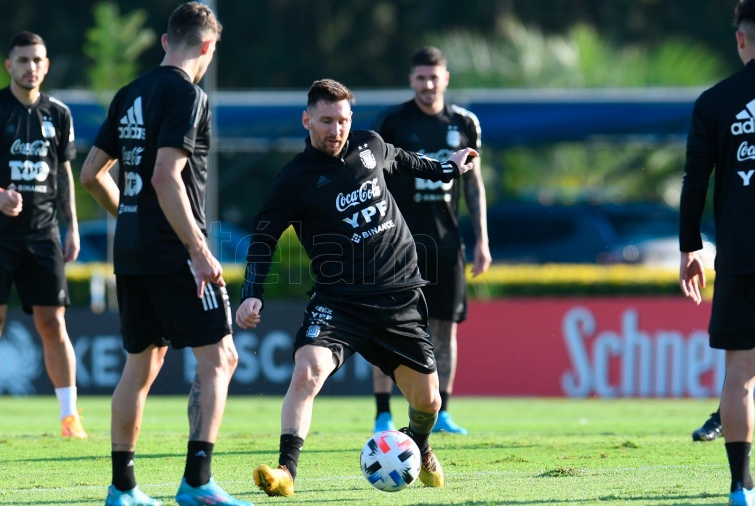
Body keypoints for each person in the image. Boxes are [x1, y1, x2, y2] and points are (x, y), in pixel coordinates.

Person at [236, 78, 479, 497]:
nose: (336, 130)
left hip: (399, 296)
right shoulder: (294, 179)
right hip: (339, 302)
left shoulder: (371, 145)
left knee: (429, 403)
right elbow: (263, 237)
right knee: (306, 371)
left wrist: (450, 167)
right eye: (326, 121)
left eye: (343, 120)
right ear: (307, 120)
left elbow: (408, 161)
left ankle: (418, 444)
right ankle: (285, 472)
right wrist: (252, 290)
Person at [80, 3, 250, 506]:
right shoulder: (190, 96)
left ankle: (123, 489)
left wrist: (131, 216)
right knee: (221, 357)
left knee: (141, 364)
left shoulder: (129, 93)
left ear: (163, 41)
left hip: (131, 248)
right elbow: (164, 176)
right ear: (206, 47)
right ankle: (197, 482)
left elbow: (91, 174)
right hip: (175, 251)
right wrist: (198, 250)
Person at [0, 31, 86, 440]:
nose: (31, 67)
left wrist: (72, 226)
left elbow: (63, 172)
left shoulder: (59, 114)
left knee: (54, 322)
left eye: (38, 59)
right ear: (8, 65)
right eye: (23, 59)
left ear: (47, 65)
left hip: (43, 235)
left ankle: (69, 416)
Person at [370, 46, 491, 435]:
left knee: (445, 329)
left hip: (446, 243)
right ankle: (383, 412)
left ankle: (442, 414)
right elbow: (374, 181)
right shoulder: (392, 122)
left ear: (446, 78)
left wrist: (482, 240)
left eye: (434, 77)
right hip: (397, 244)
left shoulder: (464, 123)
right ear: (411, 80)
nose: (427, 85)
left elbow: (473, 183)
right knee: (387, 326)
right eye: (421, 78)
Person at [679, 1, 755, 504]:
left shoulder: (715, 101)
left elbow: (696, 180)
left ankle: (742, 488)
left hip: (741, 256)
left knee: (741, 375)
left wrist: (689, 247)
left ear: (740, 39)